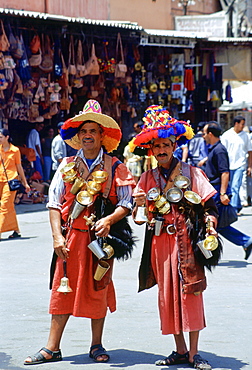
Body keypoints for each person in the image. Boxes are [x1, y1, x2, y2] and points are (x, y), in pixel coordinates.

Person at [24, 99, 136, 365]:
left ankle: (96, 345)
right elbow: (53, 203)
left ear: (102, 135)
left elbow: (126, 203)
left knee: (99, 286)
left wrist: (109, 219)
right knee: (62, 289)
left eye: (93, 131)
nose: (87, 135)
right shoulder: (66, 166)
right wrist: (56, 236)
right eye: (83, 131)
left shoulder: (115, 166)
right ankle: (52, 347)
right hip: (70, 237)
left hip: (101, 239)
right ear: (78, 135)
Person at [132, 105, 219, 370]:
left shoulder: (192, 173)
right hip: (160, 244)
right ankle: (180, 350)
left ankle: (194, 353)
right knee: (167, 296)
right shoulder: (147, 177)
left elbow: (210, 205)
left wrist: (211, 226)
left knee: (191, 294)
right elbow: (138, 217)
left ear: (175, 145)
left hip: (187, 243)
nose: (161, 150)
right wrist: (137, 204)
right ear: (151, 149)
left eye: (166, 145)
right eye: (156, 146)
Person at [202, 122, 252, 260]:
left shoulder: (219, 150)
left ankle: (206, 253)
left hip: (218, 191)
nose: (203, 136)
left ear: (210, 134)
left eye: (205, 133)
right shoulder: (215, 149)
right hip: (214, 190)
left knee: (213, 222)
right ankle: (245, 241)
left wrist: (223, 193)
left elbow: (225, 172)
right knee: (215, 223)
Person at [0, 129, 30, 240]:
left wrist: (25, 183)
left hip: (11, 180)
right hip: (0, 180)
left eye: (1, 137)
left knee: (4, 205)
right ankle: (16, 230)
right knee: (9, 207)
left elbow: (19, 167)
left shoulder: (15, 150)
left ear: (7, 137)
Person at [221, 115, 252, 215]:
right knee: (231, 187)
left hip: (240, 165)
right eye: (242, 124)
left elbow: (250, 151)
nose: (243, 126)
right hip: (228, 165)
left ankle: (233, 209)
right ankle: (237, 205)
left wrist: (250, 166)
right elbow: (223, 151)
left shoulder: (246, 136)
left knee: (236, 186)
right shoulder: (227, 135)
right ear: (236, 124)